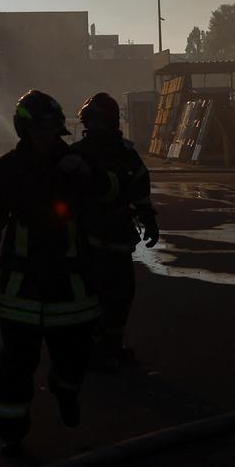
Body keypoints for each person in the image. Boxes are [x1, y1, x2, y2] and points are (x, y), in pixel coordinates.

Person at [0, 90, 111, 457]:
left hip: (72, 287)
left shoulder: (77, 164)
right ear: (26, 130)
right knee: (15, 368)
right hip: (23, 289)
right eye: (43, 131)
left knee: (75, 359)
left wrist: (90, 176)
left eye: (54, 131)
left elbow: (112, 195)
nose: (50, 139)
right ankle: (11, 434)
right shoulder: (9, 170)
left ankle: (65, 390)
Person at [72, 92, 158, 366]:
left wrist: (148, 217)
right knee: (98, 292)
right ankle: (98, 343)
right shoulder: (80, 155)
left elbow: (140, 187)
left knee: (119, 292)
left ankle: (111, 342)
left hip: (111, 235)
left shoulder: (119, 154)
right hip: (89, 237)